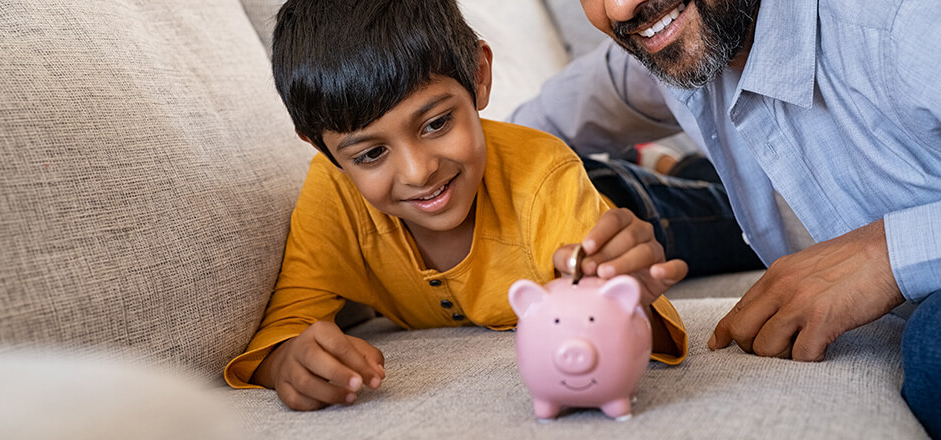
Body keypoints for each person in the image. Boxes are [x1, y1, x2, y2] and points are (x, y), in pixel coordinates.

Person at [222, 0, 696, 412]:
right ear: (324, 150)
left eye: (436, 123)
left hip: (627, 204)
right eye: (371, 154)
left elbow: (633, 319)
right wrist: (289, 361)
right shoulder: (334, 198)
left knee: (709, 209)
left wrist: (628, 292)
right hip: (573, 179)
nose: (417, 171)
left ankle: (676, 169)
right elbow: (285, 329)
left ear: (479, 76)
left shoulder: (544, 177)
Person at [508, 0, 941, 435]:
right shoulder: (667, 42)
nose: (620, 8)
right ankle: (667, 167)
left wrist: (885, 252)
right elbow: (512, 144)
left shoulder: (908, 23)